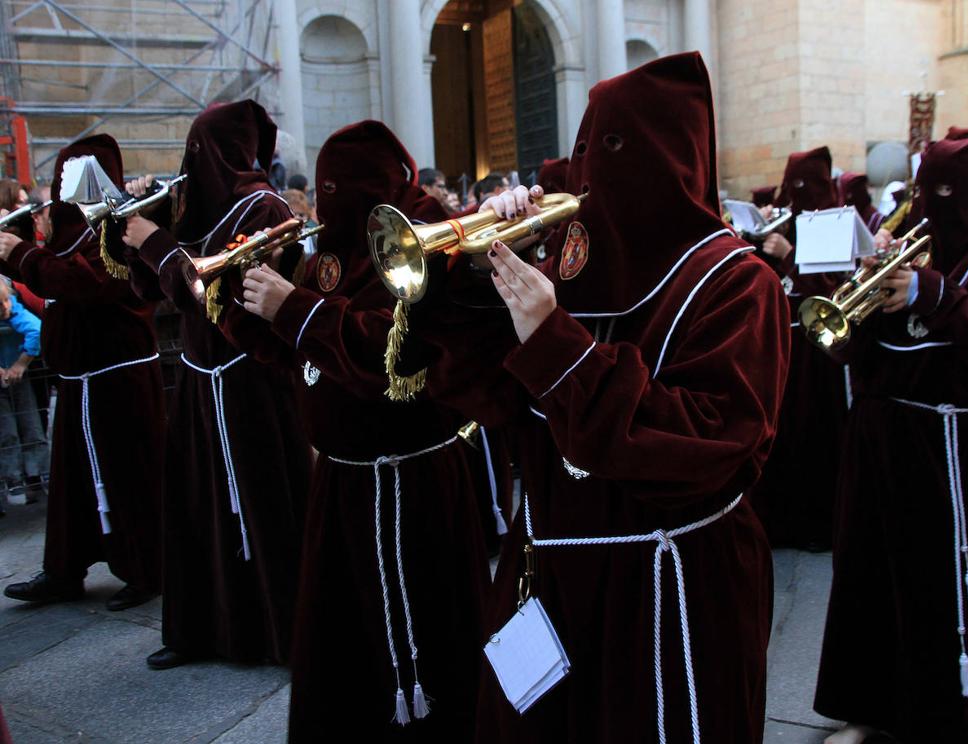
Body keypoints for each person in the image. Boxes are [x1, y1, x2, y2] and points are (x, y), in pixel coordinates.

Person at [417, 52, 789, 744]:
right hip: (548, 572)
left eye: (613, 146)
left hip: (665, 584)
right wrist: (473, 275)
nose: (590, 169)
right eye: (585, 145)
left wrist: (552, 339)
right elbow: (485, 396)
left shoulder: (738, 283)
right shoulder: (563, 266)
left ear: (669, 157)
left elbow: (709, 442)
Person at [229, 120, 491, 742]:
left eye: (335, 194)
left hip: (410, 481)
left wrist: (290, 306)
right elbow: (301, 353)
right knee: (343, 642)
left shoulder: (423, 242)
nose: (324, 210)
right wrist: (255, 294)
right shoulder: (333, 252)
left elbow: (387, 355)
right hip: (343, 482)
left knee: (427, 637)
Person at [813, 128, 968, 744]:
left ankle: (965, 715)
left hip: (961, 452)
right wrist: (863, 293)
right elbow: (848, 353)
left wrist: (932, 292)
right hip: (886, 440)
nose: (933, 206)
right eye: (925, 192)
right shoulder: (908, 249)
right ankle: (870, 711)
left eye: (944, 192)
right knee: (872, 582)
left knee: (950, 592)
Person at [118, 100, 311, 670]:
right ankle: (198, 629)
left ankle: (280, 631)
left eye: (198, 151)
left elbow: (213, 292)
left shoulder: (264, 206)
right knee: (198, 508)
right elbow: (149, 290)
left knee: (264, 502)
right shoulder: (195, 210)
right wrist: (141, 224)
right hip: (202, 385)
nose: (189, 162)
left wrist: (157, 241)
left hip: (250, 381)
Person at [0, 135, 164, 611]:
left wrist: (22, 255)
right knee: (72, 485)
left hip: (118, 379)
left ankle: (145, 568)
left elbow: (87, 279)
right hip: (79, 379)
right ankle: (64, 569)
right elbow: (52, 272)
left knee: (129, 476)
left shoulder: (117, 229)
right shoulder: (71, 234)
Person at [750, 146, 849, 551]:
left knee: (816, 434)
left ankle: (817, 525)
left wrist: (789, 256)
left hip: (818, 354)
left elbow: (835, 287)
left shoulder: (835, 222)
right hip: (784, 346)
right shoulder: (788, 220)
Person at [0, 279, 48, 512]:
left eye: (6, 302)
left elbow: (36, 330)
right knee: (5, 430)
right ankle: (13, 479)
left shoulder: (12, 308)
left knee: (31, 423)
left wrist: (20, 364)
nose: (5, 308)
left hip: (18, 375)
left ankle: (38, 472)